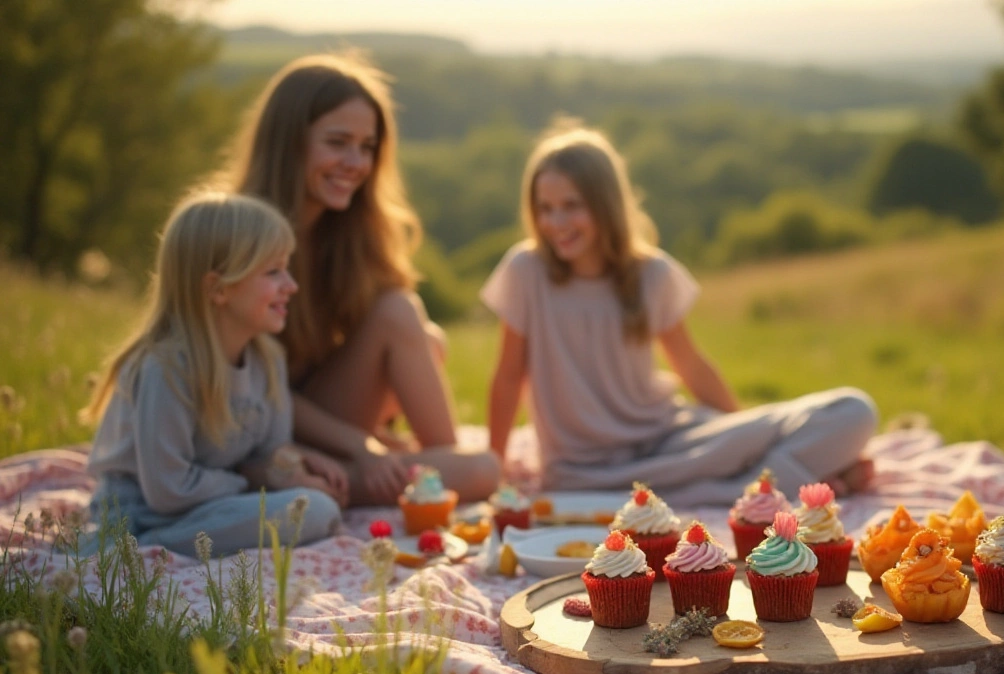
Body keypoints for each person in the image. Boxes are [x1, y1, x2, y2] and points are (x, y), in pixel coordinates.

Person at [482, 121, 878, 506]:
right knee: (613, 499)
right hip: (583, 474)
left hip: (673, 441)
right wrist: (495, 470)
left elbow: (690, 365)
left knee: (854, 410)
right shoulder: (525, 272)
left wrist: (739, 433)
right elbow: (507, 375)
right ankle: (764, 489)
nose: (556, 222)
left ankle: (754, 482)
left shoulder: (651, 274)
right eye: (545, 209)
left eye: (571, 206)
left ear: (606, 205)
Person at [216, 53, 500, 505]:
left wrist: (371, 440)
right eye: (338, 142)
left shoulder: (347, 230)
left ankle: (406, 475)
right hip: (254, 433)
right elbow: (262, 392)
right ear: (290, 141)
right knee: (478, 470)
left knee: (427, 339)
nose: (355, 162)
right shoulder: (239, 236)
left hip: (315, 421)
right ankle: (360, 480)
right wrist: (360, 445)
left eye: (367, 147)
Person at [84, 191, 346, 556]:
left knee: (313, 506)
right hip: (142, 516)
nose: (292, 285)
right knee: (312, 512)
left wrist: (294, 467)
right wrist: (251, 483)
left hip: (206, 510)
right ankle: (127, 550)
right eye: (273, 271)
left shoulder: (268, 360)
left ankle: (160, 549)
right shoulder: (167, 368)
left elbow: (265, 455)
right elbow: (169, 490)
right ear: (218, 288)